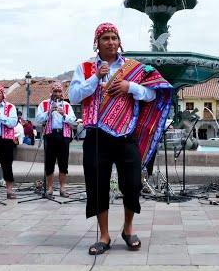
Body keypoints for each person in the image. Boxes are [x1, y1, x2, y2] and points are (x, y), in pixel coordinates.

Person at [69, 22, 172, 255]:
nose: (111, 42)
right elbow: (74, 96)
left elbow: (152, 93)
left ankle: (128, 229)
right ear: (97, 42)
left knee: (133, 183)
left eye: (114, 37)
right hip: (96, 135)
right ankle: (103, 235)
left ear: (119, 41)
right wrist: (95, 78)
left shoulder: (134, 69)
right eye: (105, 38)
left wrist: (130, 86)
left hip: (126, 135)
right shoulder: (84, 68)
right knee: (97, 185)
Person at [35, 82, 77, 197]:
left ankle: (63, 188)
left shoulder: (67, 105)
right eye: (55, 91)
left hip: (64, 136)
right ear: (51, 92)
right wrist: (49, 112)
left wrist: (64, 115)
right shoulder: (44, 104)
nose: (57, 94)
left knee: (63, 163)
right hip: (50, 135)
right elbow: (38, 119)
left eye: (59, 92)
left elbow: (73, 121)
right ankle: (49, 188)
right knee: (49, 163)